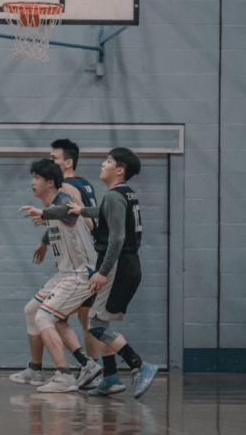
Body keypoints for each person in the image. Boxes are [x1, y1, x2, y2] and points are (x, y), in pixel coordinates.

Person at [66, 147, 159, 398]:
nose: (102, 164)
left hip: (118, 265)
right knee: (101, 321)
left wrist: (103, 272)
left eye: (108, 161)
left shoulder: (114, 197)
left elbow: (117, 237)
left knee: (95, 325)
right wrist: (81, 210)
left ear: (120, 169)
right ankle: (110, 377)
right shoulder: (124, 195)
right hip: (127, 264)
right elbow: (107, 214)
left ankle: (139, 364)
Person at [17, 159, 101, 393]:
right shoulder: (54, 207)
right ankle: (81, 366)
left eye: (36, 178)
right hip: (64, 274)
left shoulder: (63, 201)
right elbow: (57, 222)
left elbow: (67, 213)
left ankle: (64, 375)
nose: (32, 183)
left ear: (50, 182)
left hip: (80, 276)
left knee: (45, 318)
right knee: (32, 311)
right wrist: (43, 242)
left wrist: (44, 212)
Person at [49, 138, 103, 387]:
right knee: (87, 320)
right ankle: (93, 370)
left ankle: (91, 368)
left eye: (54, 160)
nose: (50, 163)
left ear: (67, 163)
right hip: (91, 262)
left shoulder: (68, 187)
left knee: (50, 315)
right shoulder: (84, 183)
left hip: (84, 264)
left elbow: (88, 222)